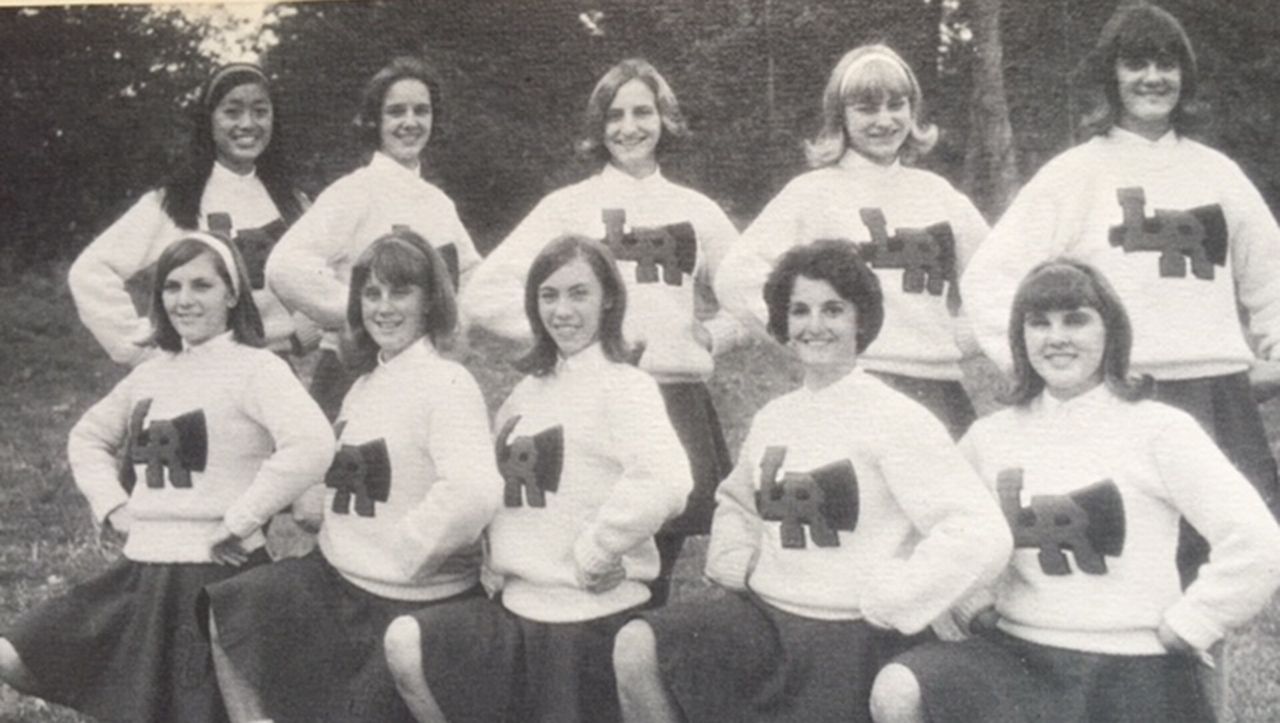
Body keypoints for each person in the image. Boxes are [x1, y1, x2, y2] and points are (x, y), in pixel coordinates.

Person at [613, 240, 1011, 723]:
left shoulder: (898, 418)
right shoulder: (774, 417)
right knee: (638, 645)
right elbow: (737, 502)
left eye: (833, 310)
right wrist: (735, 559)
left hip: (853, 637)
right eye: (800, 310)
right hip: (768, 624)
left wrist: (897, 596)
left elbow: (978, 531)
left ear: (861, 319)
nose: (814, 325)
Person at [869, 260, 1280, 723]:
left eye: (1076, 320)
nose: (1057, 337)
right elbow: (931, 535)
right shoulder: (990, 438)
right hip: (1018, 657)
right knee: (899, 689)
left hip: (1133, 665)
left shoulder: (1161, 429)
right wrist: (972, 606)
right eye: (1039, 323)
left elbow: (1258, 542)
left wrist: (1193, 622)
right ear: (1020, 337)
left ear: (1111, 332)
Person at [961, 3, 1280, 585]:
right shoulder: (1075, 173)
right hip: (1118, 395)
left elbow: (1271, 275)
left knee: (1226, 563)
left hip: (1216, 395)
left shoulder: (1218, 173)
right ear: (1110, 75)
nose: (1153, 78)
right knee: (1130, 566)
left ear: (1185, 76)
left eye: (1167, 64)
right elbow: (989, 277)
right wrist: (1042, 368)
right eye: (1136, 64)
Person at [0, 233, 333, 723]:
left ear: (232, 294)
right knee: (15, 654)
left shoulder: (257, 368)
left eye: (202, 285)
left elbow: (313, 443)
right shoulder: (151, 372)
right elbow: (87, 437)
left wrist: (241, 518)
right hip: (141, 570)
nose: (184, 299)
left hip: (217, 571)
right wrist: (113, 506)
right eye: (172, 287)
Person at [462, 58, 742, 604]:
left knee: (654, 566)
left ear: (664, 118)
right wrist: (560, 331)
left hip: (675, 397)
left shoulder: (697, 210)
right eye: (615, 115)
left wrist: (716, 335)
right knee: (587, 549)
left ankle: (639, 644)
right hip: (588, 398)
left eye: (643, 112)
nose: (629, 127)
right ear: (598, 125)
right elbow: (483, 293)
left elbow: (757, 293)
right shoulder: (568, 206)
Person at [383, 234, 694, 723]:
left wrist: (598, 550)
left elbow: (667, 478)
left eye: (578, 293)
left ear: (608, 299)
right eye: (549, 295)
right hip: (514, 612)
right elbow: (492, 489)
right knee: (411, 645)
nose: (562, 311)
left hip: (589, 620)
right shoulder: (525, 394)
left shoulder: (626, 386)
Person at [204, 230, 500, 723]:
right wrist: (318, 505)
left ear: (430, 301)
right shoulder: (364, 383)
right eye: (371, 293)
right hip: (338, 584)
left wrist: (405, 551)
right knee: (231, 610)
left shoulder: (448, 383)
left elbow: (474, 491)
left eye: (400, 292)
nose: (383, 308)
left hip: (414, 603)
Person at [715, 44, 989, 439]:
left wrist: (955, 340)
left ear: (913, 110)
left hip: (937, 394)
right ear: (839, 116)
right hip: (848, 386)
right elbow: (735, 278)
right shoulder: (812, 192)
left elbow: (1000, 279)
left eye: (896, 105)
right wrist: (808, 338)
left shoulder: (939, 194)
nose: (884, 120)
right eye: (866, 108)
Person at [267, 56, 481, 419]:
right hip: (355, 372)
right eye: (396, 112)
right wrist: (355, 313)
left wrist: (452, 327)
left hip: (424, 376)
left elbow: (472, 275)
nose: (410, 122)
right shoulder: (353, 192)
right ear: (374, 121)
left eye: (421, 110)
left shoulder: (438, 203)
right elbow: (285, 265)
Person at [69, 62, 315, 367]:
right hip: (199, 372)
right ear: (208, 120)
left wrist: (300, 335)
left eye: (260, 111)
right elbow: (91, 272)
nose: (248, 124)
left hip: (274, 372)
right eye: (232, 112)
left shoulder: (293, 202)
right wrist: (139, 348)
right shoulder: (177, 200)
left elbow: (340, 273)